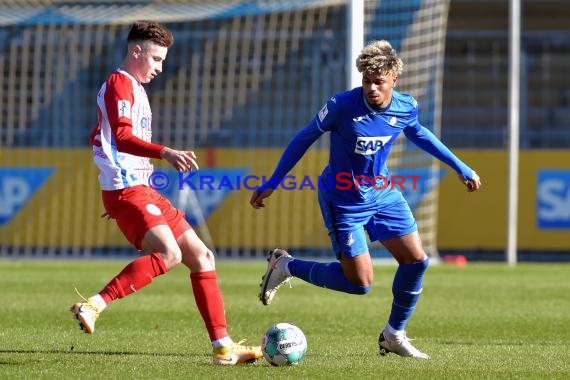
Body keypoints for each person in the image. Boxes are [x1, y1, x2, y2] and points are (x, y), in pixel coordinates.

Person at [250, 40, 481, 359]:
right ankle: (287, 265)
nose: (371, 88)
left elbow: (419, 133)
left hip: (384, 194)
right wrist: (274, 180)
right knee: (360, 283)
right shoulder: (342, 105)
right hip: (343, 199)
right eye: (366, 81)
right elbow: (304, 137)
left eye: (378, 82)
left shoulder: (406, 106)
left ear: (393, 81)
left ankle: (394, 334)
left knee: (416, 261)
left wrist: (460, 165)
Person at [71, 20, 262, 365]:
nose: (160, 67)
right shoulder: (119, 83)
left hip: (136, 189)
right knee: (171, 254)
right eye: (156, 59)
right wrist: (164, 152)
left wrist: (113, 183)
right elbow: (122, 135)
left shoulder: (136, 89)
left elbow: (100, 134)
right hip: (130, 191)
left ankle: (223, 347)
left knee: (202, 257)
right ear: (136, 51)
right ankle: (94, 304)